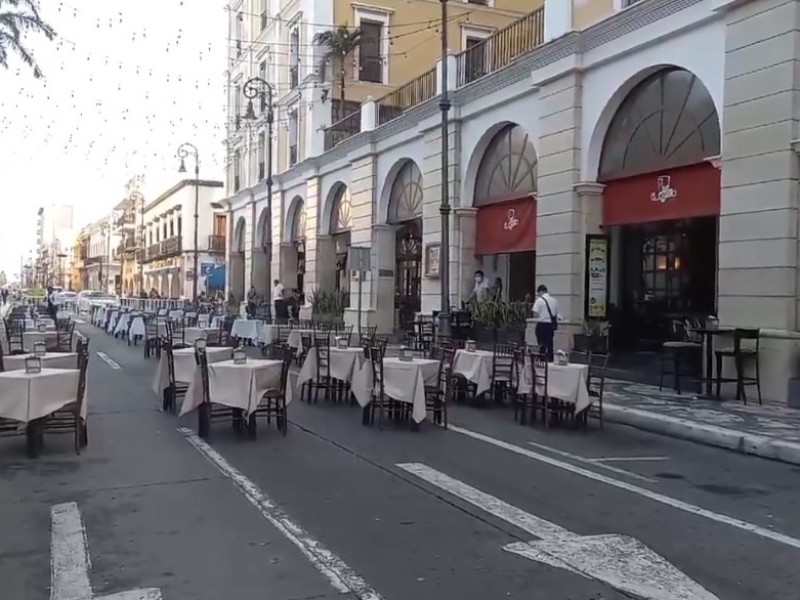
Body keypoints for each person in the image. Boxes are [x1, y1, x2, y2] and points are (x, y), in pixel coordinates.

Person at [532, 284, 559, 361]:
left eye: (538, 293)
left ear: (541, 292)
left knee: (541, 342)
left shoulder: (539, 301)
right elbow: (556, 314)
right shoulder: (554, 301)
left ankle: (542, 357)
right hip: (550, 325)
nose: (538, 295)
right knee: (550, 342)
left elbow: (535, 314)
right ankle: (550, 358)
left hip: (542, 324)